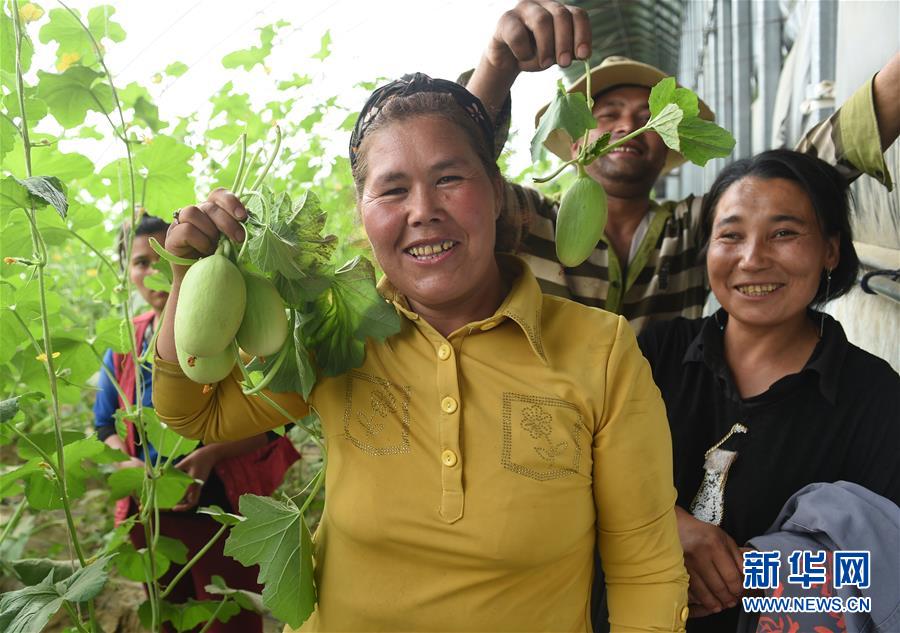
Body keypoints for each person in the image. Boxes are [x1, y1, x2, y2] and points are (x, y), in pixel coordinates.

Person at [152, 74, 691, 632]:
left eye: (450, 178)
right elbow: (195, 412)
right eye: (391, 190)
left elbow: (645, 567)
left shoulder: (600, 350)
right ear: (362, 212)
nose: (423, 210)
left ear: (497, 191)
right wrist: (188, 274)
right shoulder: (334, 331)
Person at [464, 0, 900, 333]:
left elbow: (799, 173)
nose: (628, 128)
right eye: (609, 113)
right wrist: (496, 65)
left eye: (649, 118)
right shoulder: (527, 219)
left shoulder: (694, 228)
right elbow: (459, 174)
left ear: (670, 140)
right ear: (576, 136)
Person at [635, 150, 900, 632]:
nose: (753, 259)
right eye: (730, 235)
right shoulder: (655, 354)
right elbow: (575, 477)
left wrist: (751, 570)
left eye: (784, 233)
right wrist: (666, 525)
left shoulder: (876, 398)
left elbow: (880, 569)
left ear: (831, 250)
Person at [94, 213, 301, 633]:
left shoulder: (230, 323)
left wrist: (210, 455)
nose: (152, 271)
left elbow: (280, 419)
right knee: (170, 610)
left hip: (222, 504)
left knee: (232, 612)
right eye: (140, 261)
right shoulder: (123, 343)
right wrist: (128, 466)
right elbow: (104, 428)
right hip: (150, 509)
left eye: (161, 257)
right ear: (127, 272)